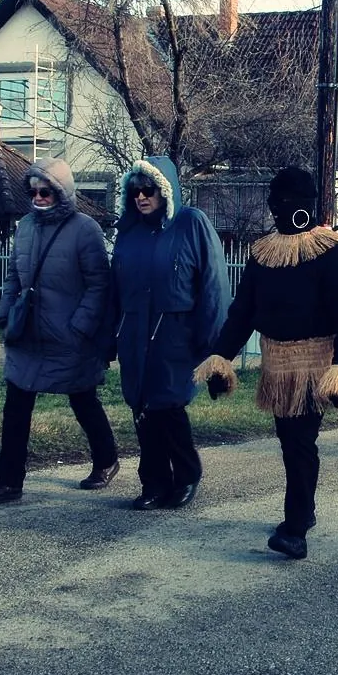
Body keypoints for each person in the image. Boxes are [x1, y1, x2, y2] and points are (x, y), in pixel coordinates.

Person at [196, 167, 338, 560]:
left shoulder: (329, 251)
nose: (279, 209)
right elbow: (242, 312)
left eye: (286, 203)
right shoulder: (263, 253)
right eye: (276, 202)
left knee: (299, 441)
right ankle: (302, 513)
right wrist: (222, 358)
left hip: (314, 365)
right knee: (290, 441)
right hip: (276, 366)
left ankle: (295, 529)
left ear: (303, 206)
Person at [0, 159, 119, 505]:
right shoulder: (25, 226)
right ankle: (9, 482)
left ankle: (106, 460)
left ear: (62, 192)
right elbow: (14, 275)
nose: (39, 197)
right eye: (34, 192)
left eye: (46, 192)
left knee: (83, 399)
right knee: (16, 406)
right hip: (27, 334)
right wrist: (4, 311)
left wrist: (80, 326)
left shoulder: (85, 229)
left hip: (69, 336)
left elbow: (99, 285)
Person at [109, 155, 228, 510]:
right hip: (134, 334)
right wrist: (105, 341)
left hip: (176, 336)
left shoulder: (191, 223)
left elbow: (213, 286)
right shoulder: (128, 233)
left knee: (169, 407)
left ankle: (187, 473)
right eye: (135, 190)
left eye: (149, 189)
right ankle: (154, 481)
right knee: (141, 407)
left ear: (165, 190)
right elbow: (113, 291)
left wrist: (214, 349)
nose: (141, 197)